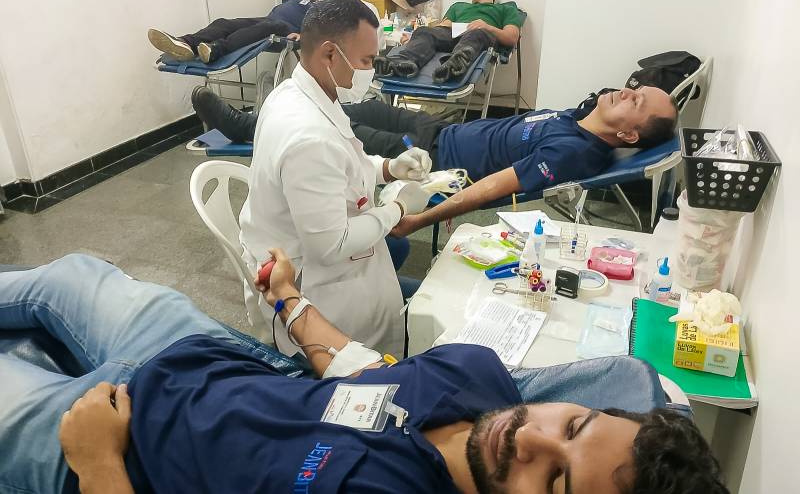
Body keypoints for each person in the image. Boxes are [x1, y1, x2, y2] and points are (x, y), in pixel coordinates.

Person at [0, 254, 730, 493]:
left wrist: (97, 464)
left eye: (557, 481)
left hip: (112, 445)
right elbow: (360, 375)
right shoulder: (478, 376)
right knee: (68, 275)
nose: (530, 438)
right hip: (201, 354)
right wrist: (290, 299)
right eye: (573, 424)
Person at [192, 84, 678, 236]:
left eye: (636, 101)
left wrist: (424, 216)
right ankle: (257, 118)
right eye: (634, 88)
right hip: (437, 129)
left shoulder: (575, 152)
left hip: (429, 160)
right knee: (349, 107)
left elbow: (494, 188)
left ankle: (242, 127)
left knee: (334, 129)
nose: (627, 91)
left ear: (629, 134)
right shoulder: (579, 117)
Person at [238, 0, 434, 358]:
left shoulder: (302, 91)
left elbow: (345, 163)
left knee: (408, 276)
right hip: (312, 286)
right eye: (366, 60)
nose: (371, 70)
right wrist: (398, 209)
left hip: (299, 245)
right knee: (429, 311)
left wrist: (389, 168)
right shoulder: (308, 136)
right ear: (330, 54)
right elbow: (331, 246)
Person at [374, 0, 523, 83]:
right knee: (424, 31)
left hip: (482, 35)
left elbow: (511, 37)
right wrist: (415, 38)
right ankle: (404, 63)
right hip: (453, 33)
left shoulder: (506, 9)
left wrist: (486, 26)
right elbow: (442, 27)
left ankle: (453, 64)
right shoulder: (458, 6)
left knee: (475, 33)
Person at [147, 0, 326, 64]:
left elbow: (327, 31)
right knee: (224, 23)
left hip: (286, 31)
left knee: (270, 26)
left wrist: (303, 36)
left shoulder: (323, 7)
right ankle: (186, 43)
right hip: (266, 20)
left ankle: (216, 49)